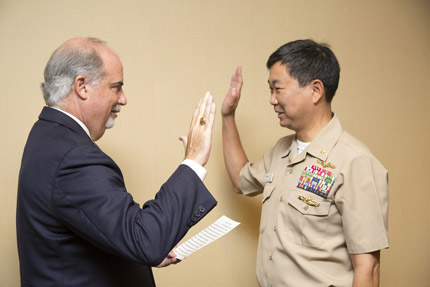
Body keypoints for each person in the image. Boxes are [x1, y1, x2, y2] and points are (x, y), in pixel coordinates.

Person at [16, 37, 217, 287]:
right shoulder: (73, 157)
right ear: (82, 86)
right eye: (116, 87)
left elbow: (95, 228)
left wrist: (137, 248)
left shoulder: (46, 134)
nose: (123, 99)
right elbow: (146, 239)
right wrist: (194, 160)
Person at [221, 39, 389, 286]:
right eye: (270, 90)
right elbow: (240, 179)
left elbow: (368, 267)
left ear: (315, 90)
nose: (272, 100)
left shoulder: (355, 162)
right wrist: (227, 116)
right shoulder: (281, 151)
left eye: (278, 89)